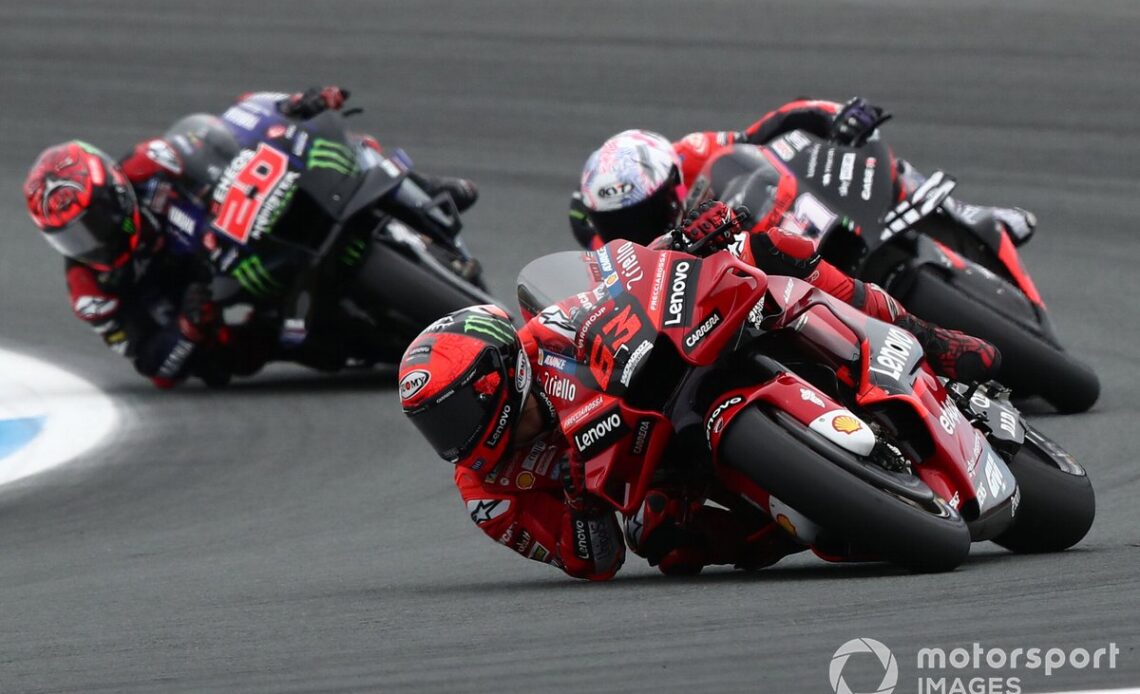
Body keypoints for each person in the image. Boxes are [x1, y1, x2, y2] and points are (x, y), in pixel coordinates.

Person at [23, 87, 479, 388]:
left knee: (344, 145)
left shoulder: (148, 164)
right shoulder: (91, 289)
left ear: (116, 194)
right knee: (232, 358)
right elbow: (152, 364)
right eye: (69, 237)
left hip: (243, 227)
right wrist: (187, 326)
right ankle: (349, 337)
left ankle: (425, 186)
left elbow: (230, 127)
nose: (88, 242)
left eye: (92, 223)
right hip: (217, 294)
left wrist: (294, 106)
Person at [569, 98, 1025, 383]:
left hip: (777, 227)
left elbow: (766, 132)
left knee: (872, 169)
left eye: (645, 210)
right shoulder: (604, 255)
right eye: (622, 220)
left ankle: (966, 223)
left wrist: (837, 117)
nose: (637, 224)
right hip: (723, 307)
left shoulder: (689, 152)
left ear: (669, 182)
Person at [399, 284, 805, 580]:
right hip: (647, 476)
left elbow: (624, 286)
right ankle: (783, 536)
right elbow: (592, 562)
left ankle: (865, 307)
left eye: (455, 415)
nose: (452, 437)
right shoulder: (485, 494)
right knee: (659, 535)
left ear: (493, 377)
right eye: (434, 425)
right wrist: (582, 503)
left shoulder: (547, 335)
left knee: (763, 258)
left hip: (666, 392)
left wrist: (682, 241)